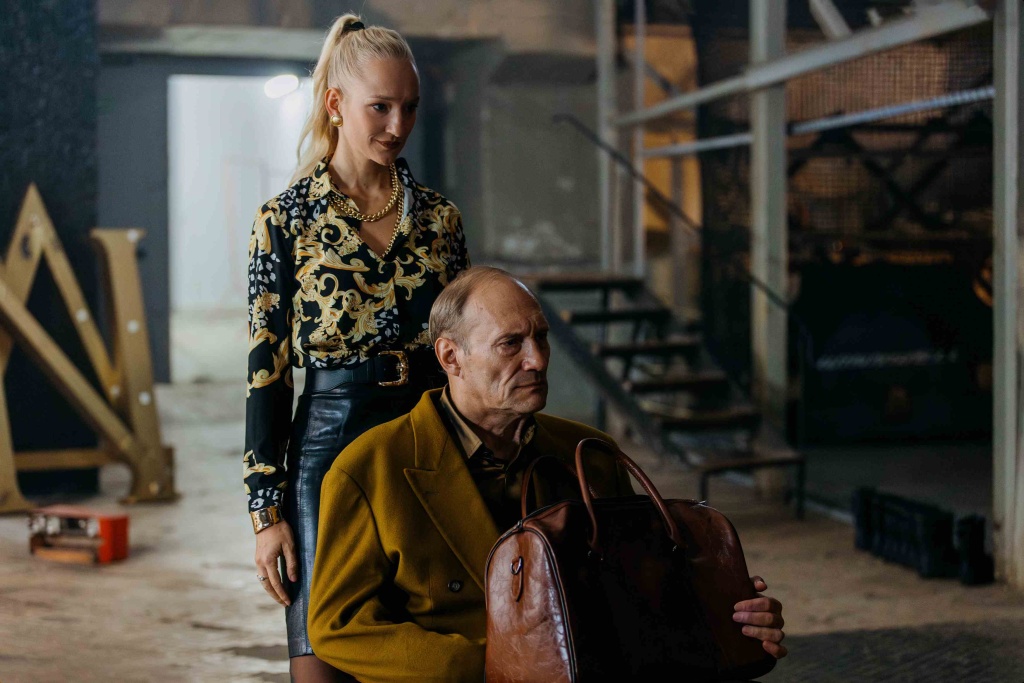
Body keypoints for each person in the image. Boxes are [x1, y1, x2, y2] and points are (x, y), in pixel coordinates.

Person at [307, 267, 787, 682]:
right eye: (510, 344)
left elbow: (639, 590)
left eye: (541, 337)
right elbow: (339, 627)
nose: (536, 360)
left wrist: (728, 614)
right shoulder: (370, 468)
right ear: (451, 357)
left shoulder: (591, 455)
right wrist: (497, 667)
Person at [243, 14, 469, 681]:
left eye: (410, 107)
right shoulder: (284, 220)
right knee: (318, 662)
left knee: (427, 656)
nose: (398, 125)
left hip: (429, 445)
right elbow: (266, 373)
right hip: (328, 447)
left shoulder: (440, 219)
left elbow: (465, 351)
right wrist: (266, 511)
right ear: (336, 103)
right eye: (381, 107)